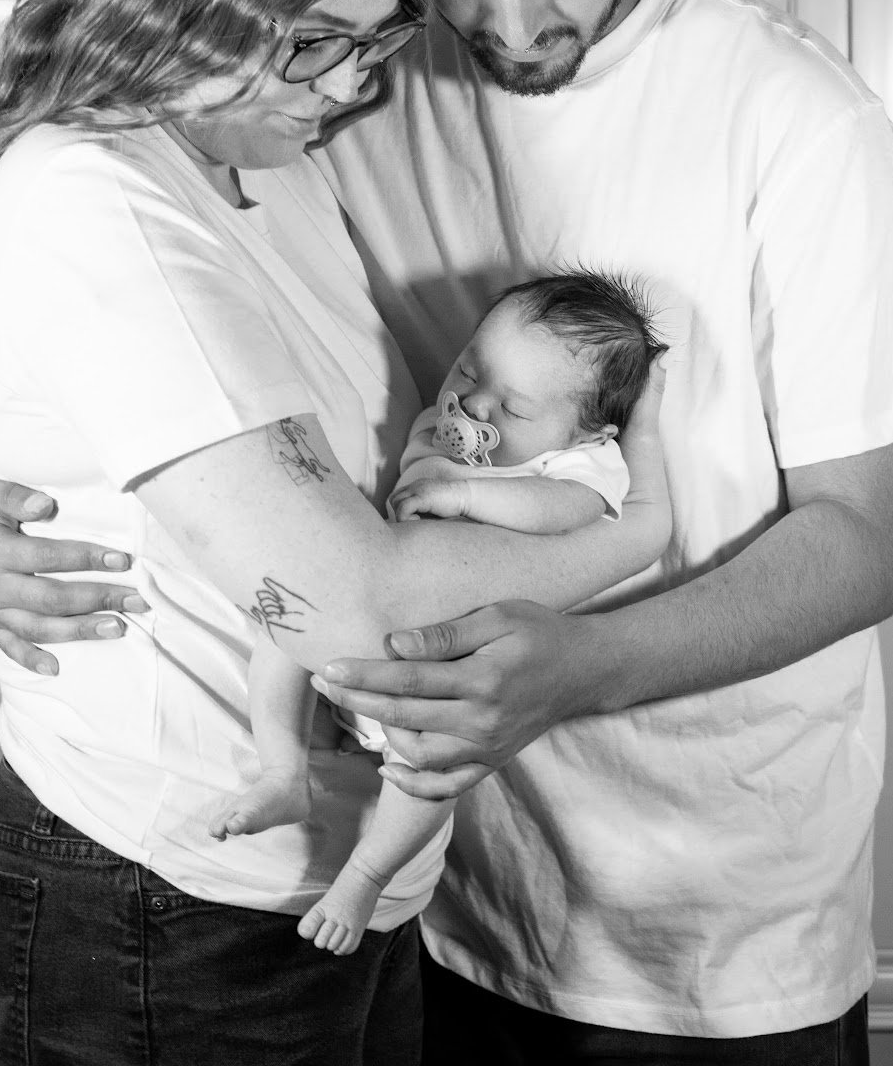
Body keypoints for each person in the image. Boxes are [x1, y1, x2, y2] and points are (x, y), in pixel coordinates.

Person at [0, 0, 893, 1062]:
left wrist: (577, 664)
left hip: (708, 912)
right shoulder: (341, 76)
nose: (508, 23)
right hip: (443, 881)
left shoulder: (795, 124)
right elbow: (155, 310)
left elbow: (861, 542)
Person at [0, 0, 669, 1066]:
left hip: (329, 896)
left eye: (370, 39)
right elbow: (341, 599)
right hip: (162, 902)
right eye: (315, 39)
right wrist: (637, 532)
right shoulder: (97, 199)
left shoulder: (276, 159)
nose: (345, 81)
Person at [217, 269, 661, 962]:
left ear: (589, 431)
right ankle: (281, 773)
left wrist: (468, 496)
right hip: (367, 631)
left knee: (431, 773)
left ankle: (363, 877)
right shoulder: (447, 421)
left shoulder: (583, 467)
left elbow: (566, 512)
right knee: (282, 640)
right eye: (470, 369)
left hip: (446, 671)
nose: (474, 406)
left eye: (513, 410)